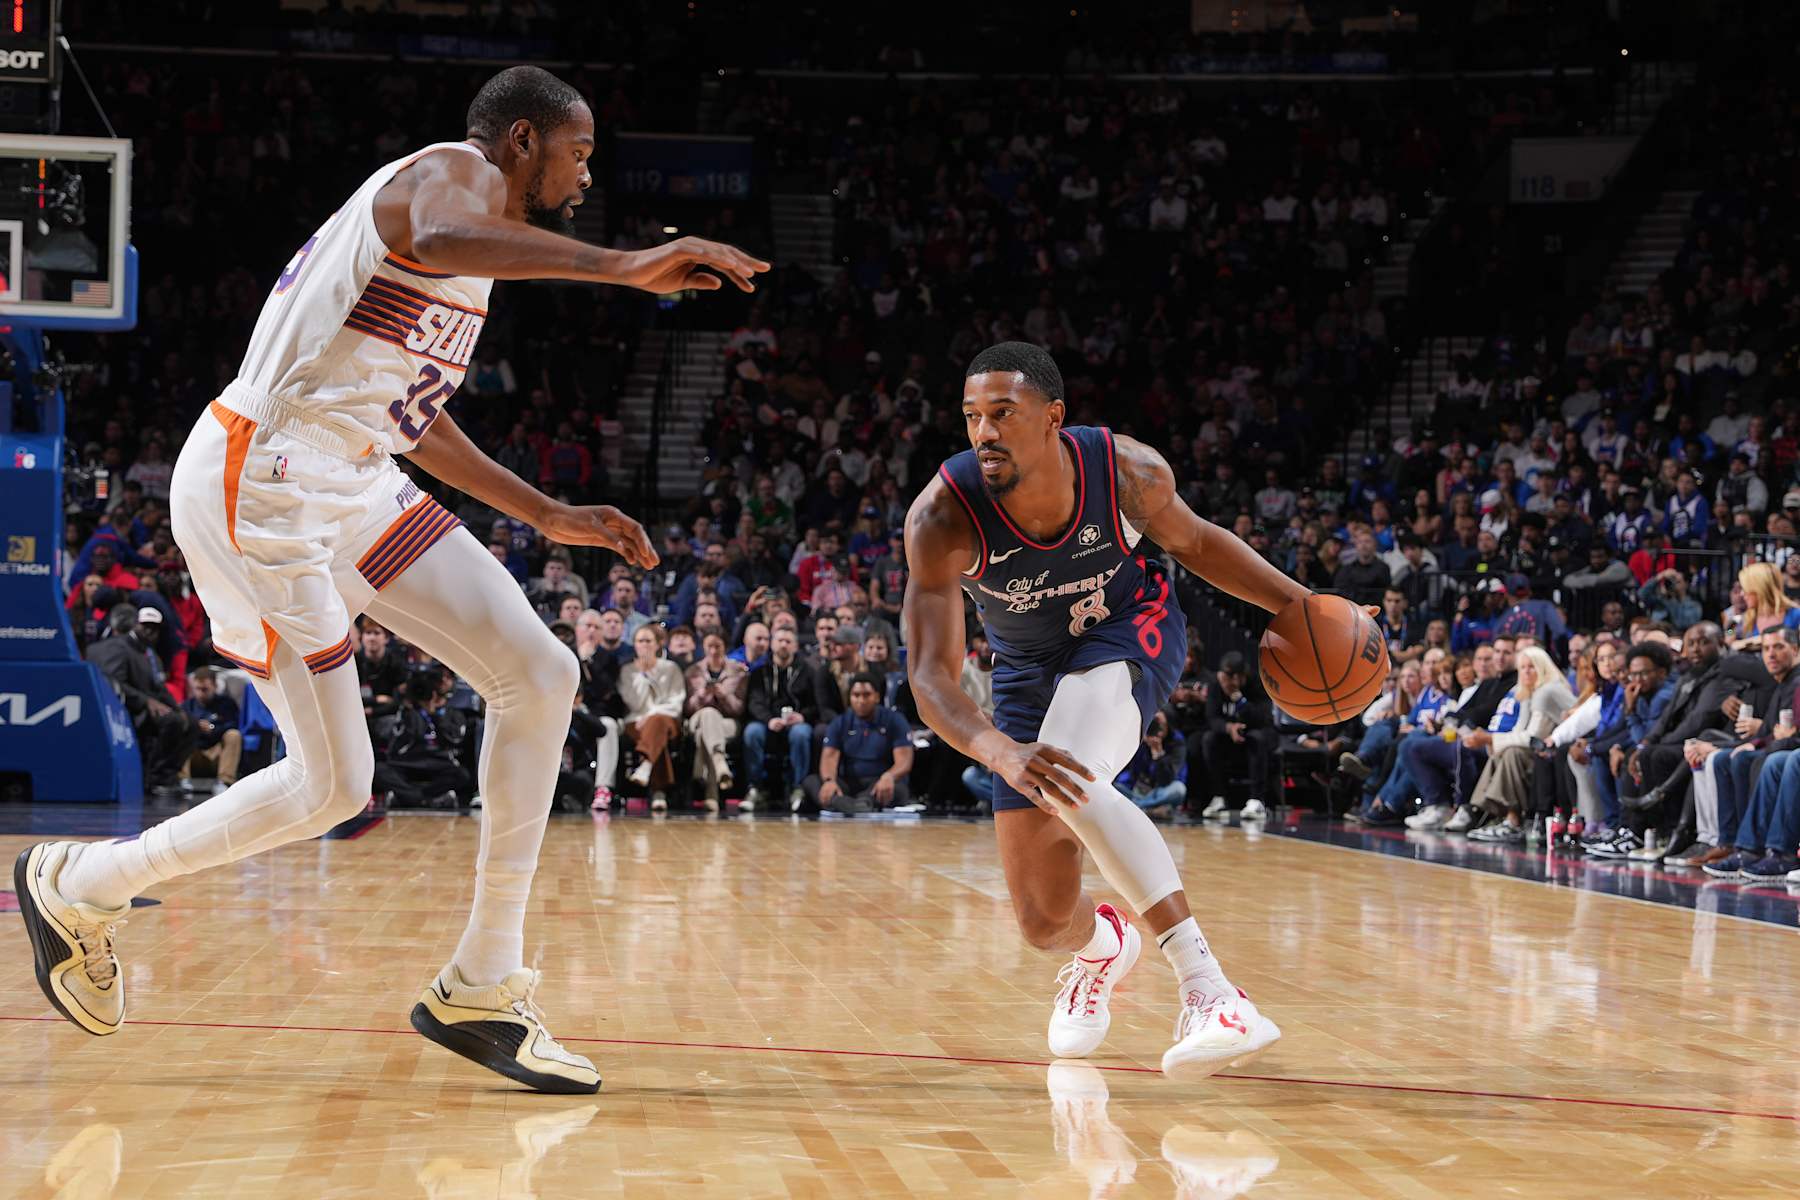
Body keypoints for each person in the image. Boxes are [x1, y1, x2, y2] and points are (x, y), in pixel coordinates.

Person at [16, 65, 768, 1095]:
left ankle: (483, 983)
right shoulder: (446, 178)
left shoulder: (464, 248)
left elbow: (408, 408)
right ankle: (81, 881)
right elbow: (445, 237)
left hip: (353, 477)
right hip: (265, 484)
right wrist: (625, 265)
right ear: (517, 143)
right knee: (336, 788)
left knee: (540, 674)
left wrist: (544, 513)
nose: (586, 176)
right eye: (577, 154)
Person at [903, 342, 1340, 1078]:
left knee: (1069, 772)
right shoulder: (942, 517)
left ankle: (1213, 993)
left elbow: (1199, 543)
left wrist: (1297, 604)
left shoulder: (1126, 471)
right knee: (1043, 920)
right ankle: (1103, 945)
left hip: (1127, 627)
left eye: (1002, 414)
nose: (983, 432)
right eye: (973, 416)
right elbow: (929, 674)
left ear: (1052, 419)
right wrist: (998, 750)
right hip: (1023, 677)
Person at [84, 604, 195, 795]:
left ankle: (167, 776)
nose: (150, 631)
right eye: (146, 626)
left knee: (190, 722)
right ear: (136, 625)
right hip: (130, 709)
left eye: (155, 628)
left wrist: (177, 708)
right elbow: (114, 683)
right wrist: (147, 702)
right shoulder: (119, 646)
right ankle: (155, 778)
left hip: (150, 709)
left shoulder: (151, 655)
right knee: (171, 721)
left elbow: (159, 688)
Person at [743, 626, 829, 813]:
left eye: (788, 641)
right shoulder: (759, 672)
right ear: (772, 644)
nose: (783, 645)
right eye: (780, 641)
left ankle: (798, 788)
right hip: (767, 722)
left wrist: (802, 716)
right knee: (752, 732)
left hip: (795, 722)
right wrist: (769, 720)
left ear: (796, 646)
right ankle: (755, 788)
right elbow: (754, 703)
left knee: (801, 733)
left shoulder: (808, 671)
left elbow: (816, 704)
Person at [805, 673, 915, 814]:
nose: (861, 701)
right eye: (856, 695)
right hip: (849, 782)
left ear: (876, 696)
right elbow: (829, 757)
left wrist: (889, 776)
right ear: (849, 698)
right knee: (811, 781)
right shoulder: (840, 722)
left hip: (879, 781)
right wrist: (829, 781)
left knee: (899, 789)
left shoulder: (894, 720)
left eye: (866, 695)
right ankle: (856, 805)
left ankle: (846, 804)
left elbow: (904, 761)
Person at [1197, 652, 1275, 822]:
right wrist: (1228, 727)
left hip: (1253, 734)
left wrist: (1238, 699)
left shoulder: (1258, 683)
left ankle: (1256, 801)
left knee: (1258, 738)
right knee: (1208, 739)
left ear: (1240, 677)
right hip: (1228, 737)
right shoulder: (1216, 684)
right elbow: (1211, 718)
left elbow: (1263, 718)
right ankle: (1218, 798)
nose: (1225, 682)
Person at [619, 624, 685, 812]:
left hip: (666, 718)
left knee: (657, 723)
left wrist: (651, 714)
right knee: (657, 738)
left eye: (649, 641)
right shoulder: (628, 671)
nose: (644, 645)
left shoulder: (671, 668)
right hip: (636, 721)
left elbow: (675, 702)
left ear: (657, 645)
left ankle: (646, 764)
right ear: (635, 645)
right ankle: (658, 792)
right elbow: (634, 703)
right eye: (640, 641)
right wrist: (643, 674)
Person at [684, 631, 747, 814]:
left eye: (717, 646)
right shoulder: (692, 671)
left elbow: (739, 709)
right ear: (703, 647)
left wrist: (724, 696)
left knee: (708, 733)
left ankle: (710, 793)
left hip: (726, 723)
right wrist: (702, 696)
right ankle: (719, 768)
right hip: (697, 719)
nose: (713, 651)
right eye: (709, 646)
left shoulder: (739, 671)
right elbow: (687, 709)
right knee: (708, 714)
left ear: (725, 647)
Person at [179, 668, 243, 795]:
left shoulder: (226, 704)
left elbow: (234, 724)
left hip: (217, 755)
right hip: (195, 755)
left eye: (205, 689)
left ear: (215, 686)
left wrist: (213, 729)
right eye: (197, 689)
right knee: (180, 732)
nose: (201, 694)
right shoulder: (187, 706)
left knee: (233, 735)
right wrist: (195, 728)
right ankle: (182, 780)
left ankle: (225, 781)